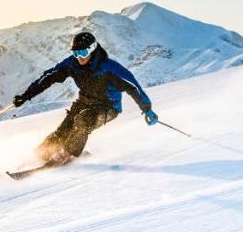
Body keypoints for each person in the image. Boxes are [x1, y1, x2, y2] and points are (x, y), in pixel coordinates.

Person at [12, 31, 158, 165]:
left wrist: (147, 109)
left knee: (84, 120)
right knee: (63, 130)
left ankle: (65, 154)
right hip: (84, 102)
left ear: (93, 49)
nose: (79, 58)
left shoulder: (109, 68)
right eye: (76, 53)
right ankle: (40, 155)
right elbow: (48, 77)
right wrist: (26, 95)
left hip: (108, 107)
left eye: (83, 52)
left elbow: (133, 86)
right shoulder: (71, 64)